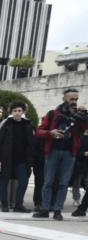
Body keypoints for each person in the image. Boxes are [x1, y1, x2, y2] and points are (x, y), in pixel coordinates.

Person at [34, 88, 88, 220]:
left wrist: (85, 115)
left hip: (70, 153)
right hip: (53, 151)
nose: (74, 101)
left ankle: (58, 210)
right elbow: (39, 131)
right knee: (48, 182)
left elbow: (85, 129)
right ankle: (45, 209)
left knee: (64, 183)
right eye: (71, 99)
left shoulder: (79, 115)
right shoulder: (53, 114)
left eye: (76, 99)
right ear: (64, 98)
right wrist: (50, 133)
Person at [0, 101, 35, 213]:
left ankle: (18, 204)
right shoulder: (6, 124)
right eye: (15, 111)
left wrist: (30, 160)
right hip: (6, 158)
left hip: (22, 160)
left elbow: (31, 144)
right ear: (11, 112)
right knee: (4, 180)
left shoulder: (28, 125)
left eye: (19, 111)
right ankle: (4, 204)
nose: (17, 113)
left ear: (23, 112)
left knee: (24, 181)